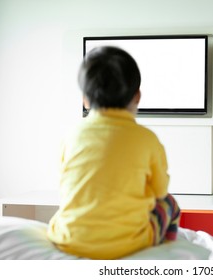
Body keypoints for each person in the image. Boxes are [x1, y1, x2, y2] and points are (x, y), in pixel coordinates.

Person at [47, 46, 180, 259]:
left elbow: (66, 183)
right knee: (170, 204)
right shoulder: (147, 139)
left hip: (69, 240)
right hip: (128, 244)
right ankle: (163, 252)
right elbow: (160, 192)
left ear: (85, 99)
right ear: (137, 96)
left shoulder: (71, 135)